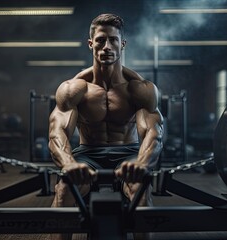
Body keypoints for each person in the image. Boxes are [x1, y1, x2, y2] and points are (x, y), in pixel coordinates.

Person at [47, 13, 163, 240]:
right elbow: (56, 132)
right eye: (101, 40)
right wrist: (69, 164)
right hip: (87, 153)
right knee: (64, 190)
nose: (107, 46)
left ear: (123, 44)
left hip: (127, 153)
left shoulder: (138, 90)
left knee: (141, 189)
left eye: (113, 40)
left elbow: (154, 132)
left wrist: (141, 163)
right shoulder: (74, 89)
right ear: (91, 43)